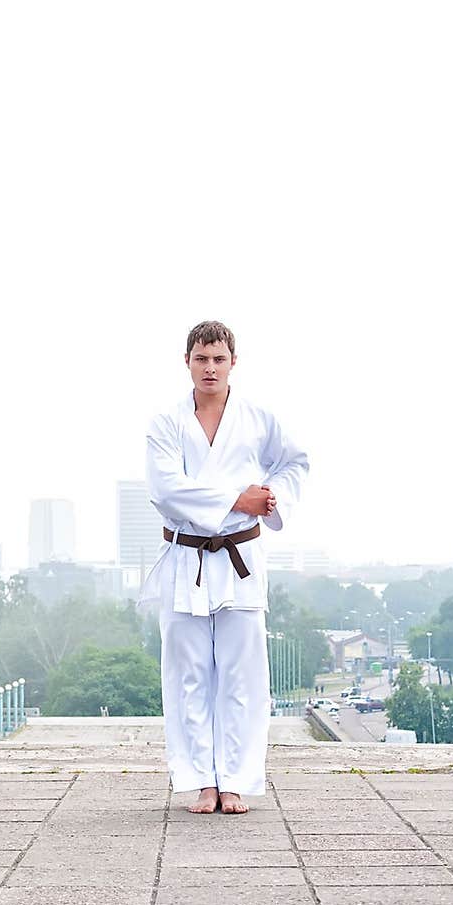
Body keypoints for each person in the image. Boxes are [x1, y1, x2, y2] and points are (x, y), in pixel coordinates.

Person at [139, 320, 309, 813]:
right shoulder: (166, 423)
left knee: (242, 674)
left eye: (218, 359)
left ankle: (234, 779)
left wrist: (273, 499)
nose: (209, 368)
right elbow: (166, 488)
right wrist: (239, 497)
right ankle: (200, 780)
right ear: (186, 362)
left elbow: (295, 462)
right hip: (185, 557)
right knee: (188, 673)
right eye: (201, 358)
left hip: (239, 558)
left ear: (234, 362)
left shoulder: (258, 419)